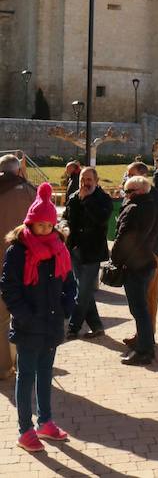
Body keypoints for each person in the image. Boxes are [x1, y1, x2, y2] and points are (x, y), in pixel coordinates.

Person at [0, 182, 75, 451]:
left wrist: (68, 307)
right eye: (40, 225)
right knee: (26, 375)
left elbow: (69, 282)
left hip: (52, 322)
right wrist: (24, 316)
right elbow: (9, 288)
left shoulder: (59, 248)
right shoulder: (18, 251)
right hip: (29, 324)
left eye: (49, 225)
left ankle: (45, 422)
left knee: (45, 374)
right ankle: (25, 430)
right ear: (30, 223)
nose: (44, 229)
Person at [111, 176, 158, 365]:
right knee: (142, 309)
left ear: (138, 192)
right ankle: (147, 343)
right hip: (146, 262)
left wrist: (115, 259)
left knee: (138, 309)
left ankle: (144, 351)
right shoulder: (152, 206)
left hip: (135, 266)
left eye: (129, 191)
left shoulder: (134, 209)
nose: (126, 195)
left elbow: (122, 238)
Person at [63, 166, 112, 339]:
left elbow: (101, 219)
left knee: (82, 292)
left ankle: (73, 327)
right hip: (75, 250)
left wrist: (87, 200)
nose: (85, 183)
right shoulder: (73, 197)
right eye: (83, 179)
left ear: (96, 181)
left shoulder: (103, 198)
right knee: (84, 291)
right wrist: (64, 227)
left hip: (93, 252)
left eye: (89, 180)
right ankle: (97, 327)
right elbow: (66, 218)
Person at [122, 161, 158, 352]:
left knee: (148, 298)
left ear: (142, 175)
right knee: (140, 299)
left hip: (149, 254)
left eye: (130, 174)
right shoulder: (138, 194)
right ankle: (143, 334)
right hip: (139, 255)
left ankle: (148, 336)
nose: (127, 177)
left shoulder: (152, 196)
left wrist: (153, 253)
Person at [0, 154, 36, 382]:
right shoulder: (28, 192)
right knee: (26, 313)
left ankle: (4, 367)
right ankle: (26, 363)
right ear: (18, 170)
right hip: (25, 262)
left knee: (2, 317)